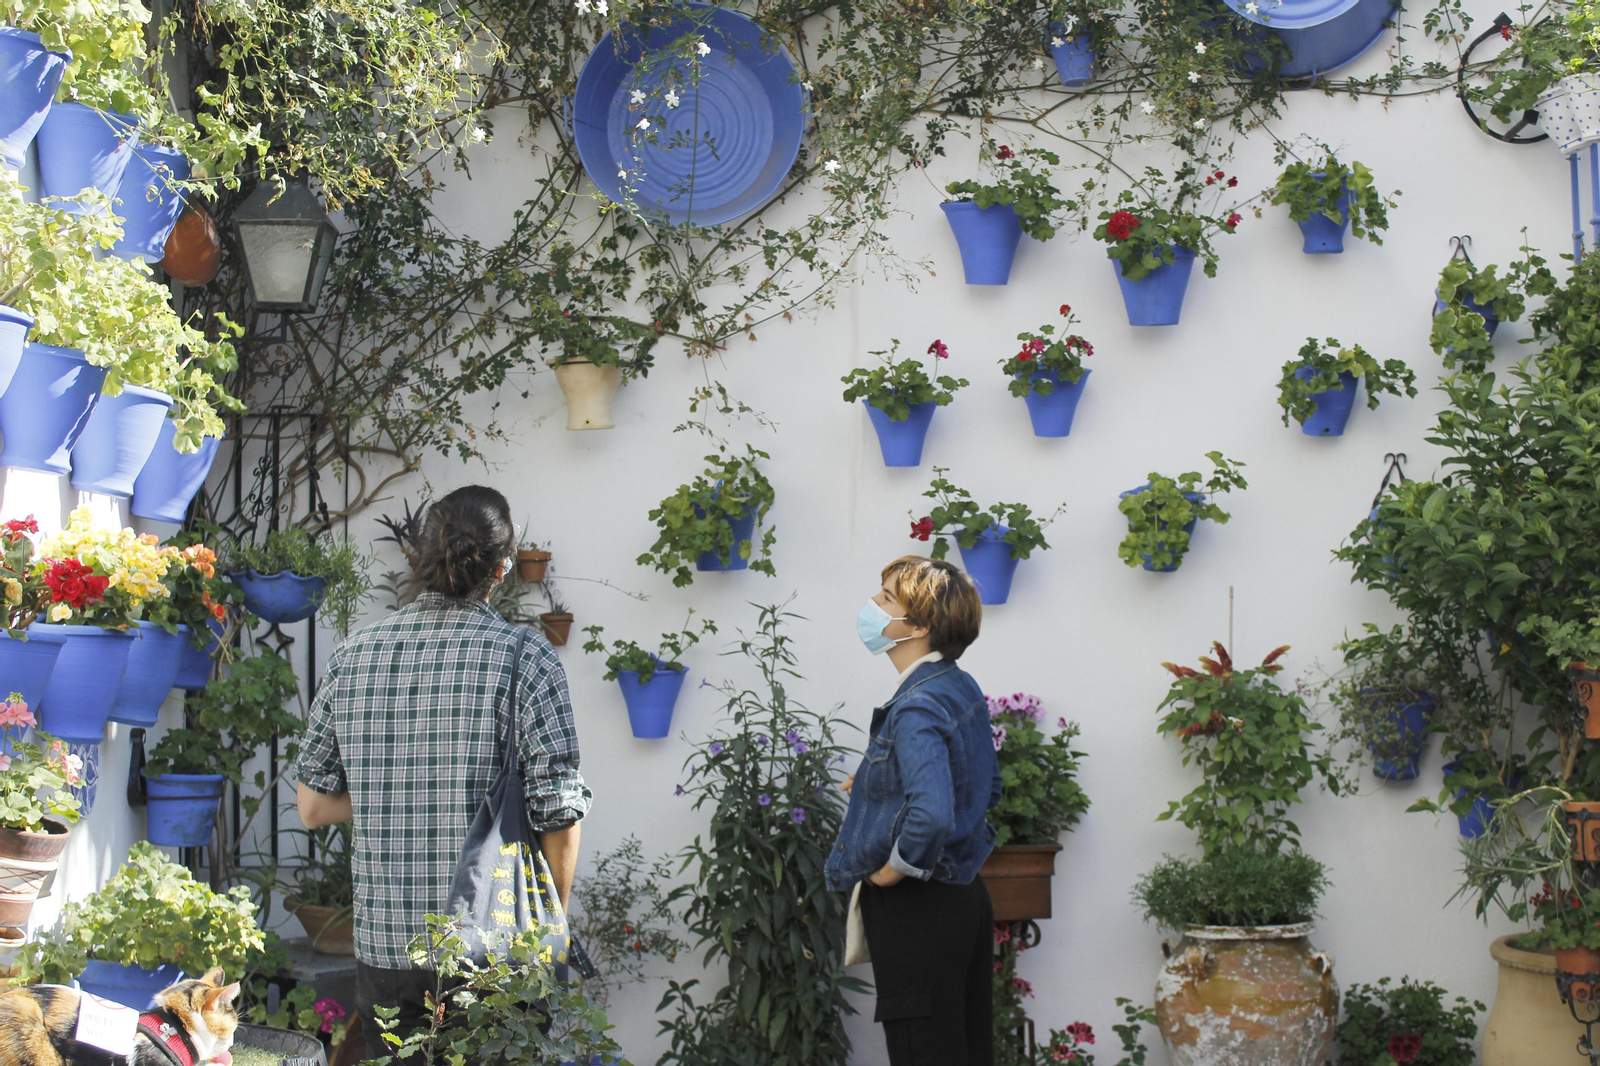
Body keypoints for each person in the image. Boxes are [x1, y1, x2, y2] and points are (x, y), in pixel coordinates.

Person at [292, 486, 592, 1059]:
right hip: (494, 949)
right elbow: (559, 816)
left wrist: (389, 789)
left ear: (420, 557)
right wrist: (550, 922)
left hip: (387, 954)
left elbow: (313, 807)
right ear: (502, 569)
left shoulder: (354, 654)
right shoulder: (525, 658)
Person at [825, 555, 1000, 1066]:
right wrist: (883, 784)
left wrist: (888, 873)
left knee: (923, 1052)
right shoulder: (957, 685)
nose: (872, 607)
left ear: (919, 626)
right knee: (963, 1049)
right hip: (964, 897)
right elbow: (982, 786)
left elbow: (933, 814)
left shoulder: (917, 704)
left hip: (918, 907)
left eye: (885, 599)